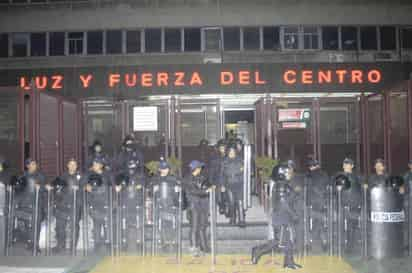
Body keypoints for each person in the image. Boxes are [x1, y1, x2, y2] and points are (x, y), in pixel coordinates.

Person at [251, 164, 302, 269]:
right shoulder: (281, 186)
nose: (290, 174)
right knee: (278, 242)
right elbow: (284, 204)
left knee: (288, 241)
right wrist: (294, 215)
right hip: (281, 217)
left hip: (283, 216)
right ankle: (257, 251)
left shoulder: (283, 184)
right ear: (281, 174)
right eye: (287, 172)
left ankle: (289, 262)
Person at [114, 151, 147, 252]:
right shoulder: (121, 175)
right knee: (124, 224)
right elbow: (116, 187)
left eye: (133, 163)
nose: (131, 165)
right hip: (125, 203)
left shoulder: (141, 175)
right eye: (129, 163)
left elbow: (144, 184)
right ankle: (124, 242)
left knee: (139, 224)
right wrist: (118, 187)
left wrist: (141, 186)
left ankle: (140, 242)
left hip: (138, 203)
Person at [14, 158, 46, 253]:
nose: (33, 166)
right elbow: (18, 190)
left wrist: (40, 187)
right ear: (27, 165)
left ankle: (35, 245)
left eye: (34, 164)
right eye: (31, 164)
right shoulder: (22, 176)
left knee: (36, 224)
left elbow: (45, 187)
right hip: (25, 204)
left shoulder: (41, 176)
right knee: (27, 225)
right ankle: (29, 242)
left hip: (37, 203)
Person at [82, 157, 113, 252]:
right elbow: (83, 185)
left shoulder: (107, 175)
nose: (94, 165)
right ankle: (97, 244)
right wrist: (85, 186)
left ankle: (109, 243)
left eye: (96, 163)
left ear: (101, 165)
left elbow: (108, 188)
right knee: (96, 224)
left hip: (105, 202)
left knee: (107, 224)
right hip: (94, 203)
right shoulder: (89, 175)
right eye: (94, 163)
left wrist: (93, 189)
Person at [333, 157, 362, 253]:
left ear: (352, 166)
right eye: (344, 163)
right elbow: (332, 189)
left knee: (352, 227)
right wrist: (336, 189)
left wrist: (359, 203)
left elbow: (361, 190)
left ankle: (350, 247)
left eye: (348, 163)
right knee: (340, 226)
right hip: (341, 204)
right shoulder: (338, 176)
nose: (346, 165)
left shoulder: (357, 177)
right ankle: (340, 245)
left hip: (354, 205)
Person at [53, 158, 82, 253]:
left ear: (76, 166)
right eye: (71, 164)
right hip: (63, 204)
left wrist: (80, 187)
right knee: (60, 226)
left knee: (74, 226)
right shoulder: (62, 176)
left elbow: (86, 187)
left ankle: (73, 247)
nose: (73, 166)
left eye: (74, 164)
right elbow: (57, 187)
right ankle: (61, 245)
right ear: (68, 165)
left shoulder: (81, 177)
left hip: (75, 204)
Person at [152, 159, 181, 251]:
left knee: (173, 223)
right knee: (160, 223)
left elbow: (178, 191)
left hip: (171, 204)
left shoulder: (173, 178)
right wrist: (153, 190)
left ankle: (174, 241)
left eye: (166, 168)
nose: (165, 170)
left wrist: (177, 190)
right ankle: (162, 241)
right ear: (159, 169)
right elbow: (150, 191)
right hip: (160, 204)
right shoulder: (156, 179)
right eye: (163, 168)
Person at [183, 160, 211, 256]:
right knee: (194, 227)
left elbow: (208, 185)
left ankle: (204, 247)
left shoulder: (202, 177)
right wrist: (206, 191)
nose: (200, 169)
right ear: (196, 168)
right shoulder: (187, 179)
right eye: (199, 167)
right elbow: (193, 191)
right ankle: (193, 247)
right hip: (193, 205)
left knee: (202, 226)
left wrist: (209, 188)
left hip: (203, 204)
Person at [304, 159, 330, 251]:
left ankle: (309, 242)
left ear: (312, 166)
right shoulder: (325, 175)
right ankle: (324, 242)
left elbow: (307, 189)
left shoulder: (309, 176)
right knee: (320, 222)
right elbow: (328, 187)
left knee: (313, 223)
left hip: (312, 203)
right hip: (322, 202)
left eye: (310, 166)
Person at [222, 145, 245, 227]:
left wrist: (240, 172)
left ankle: (241, 220)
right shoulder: (224, 161)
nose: (231, 153)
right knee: (231, 203)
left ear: (235, 152)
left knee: (240, 202)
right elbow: (222, 174)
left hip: (239, 183)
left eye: (233, 152)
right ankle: (232, 219)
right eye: (230, 152)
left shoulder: (240, 160)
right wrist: (222, 185)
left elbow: (245, 171)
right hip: (229, 184)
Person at [208, 139, 227, 215]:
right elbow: (212, 170)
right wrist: (211, 181)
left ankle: (225, 205)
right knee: (218, 193)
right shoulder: (215, 157)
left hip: (228, 178)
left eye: (224, 147)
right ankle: (221, 205)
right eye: (221, 147)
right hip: (218, 178)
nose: (222, 149)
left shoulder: (230, 155)